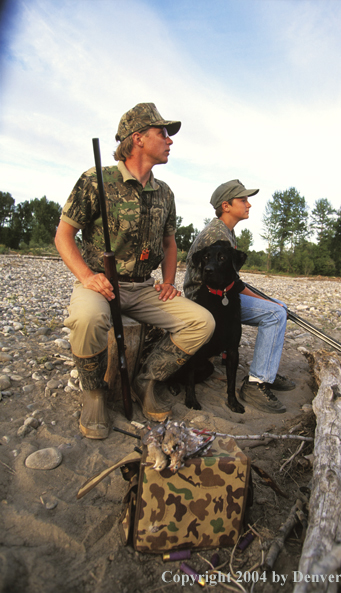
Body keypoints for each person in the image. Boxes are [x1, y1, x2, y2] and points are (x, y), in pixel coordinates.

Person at [55, 103, 215, 439]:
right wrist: (87, 277)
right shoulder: (96, 180)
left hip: (144, 288)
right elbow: (63, 235)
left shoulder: (165, 193)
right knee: (86, 320)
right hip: (100, 284)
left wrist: (169, 282)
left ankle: (147, 381)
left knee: (202, 322)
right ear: (138, 138)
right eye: (163, 133)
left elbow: (170, 243)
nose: (170, 141)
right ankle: (96, 394)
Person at [184, 179, 295, 414]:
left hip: (220, 293)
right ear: (226, 205)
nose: (249, 205)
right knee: (275, 313)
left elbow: (233, 279)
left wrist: (268, 300)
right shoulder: (217, 234)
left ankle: (267, 372)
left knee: (279, 306)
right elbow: (225, 280)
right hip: (206, 298)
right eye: (243, 200)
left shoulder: (226, 230)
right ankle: (257, 384)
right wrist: (268, 303)